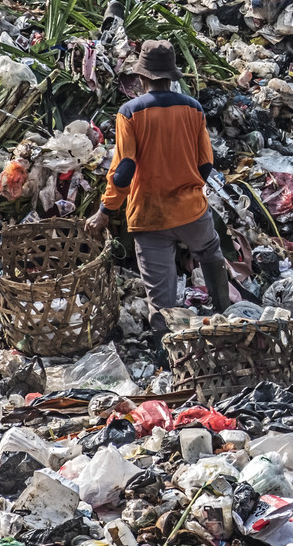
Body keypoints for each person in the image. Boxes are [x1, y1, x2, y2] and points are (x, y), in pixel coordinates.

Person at [86, 39, 231, 335]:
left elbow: (124, 169)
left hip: (150, 217)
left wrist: (105, 210)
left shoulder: (130, 112)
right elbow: (206, 165)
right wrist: (185, 186)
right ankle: (224, 315)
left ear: (142, 77)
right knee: (211, 254)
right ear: (170, 76)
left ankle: (165, 357)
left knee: (162, 299)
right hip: (191, 211)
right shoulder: (193, 108)